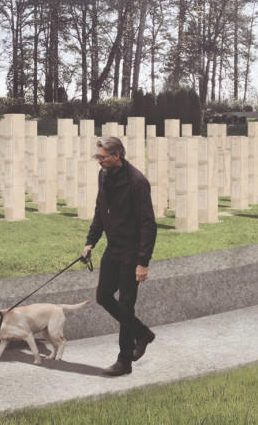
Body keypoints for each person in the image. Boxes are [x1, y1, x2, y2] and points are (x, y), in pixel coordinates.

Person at [82, 136, 157, 377]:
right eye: (98, 157)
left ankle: (124, 361)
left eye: (103, 157)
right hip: (113, 249)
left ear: (117, 155)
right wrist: (91, 241)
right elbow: (100, 209)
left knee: (126, 304)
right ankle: (143, 333)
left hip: (132, 252)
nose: (99, 161)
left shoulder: (137, 182)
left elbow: (148, 225)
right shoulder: (104, 175)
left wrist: (142, 262)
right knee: (103, 296)